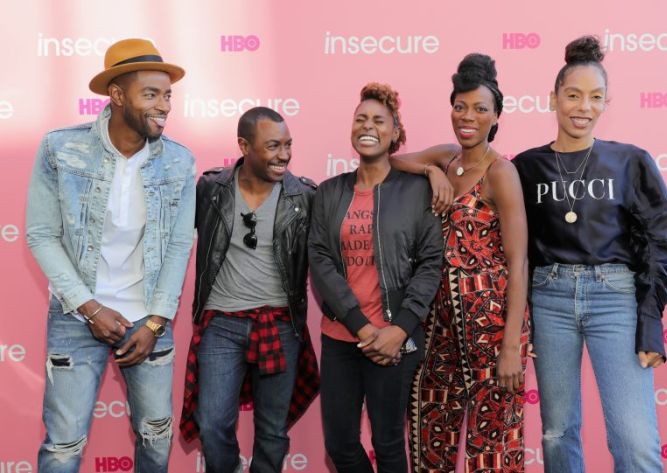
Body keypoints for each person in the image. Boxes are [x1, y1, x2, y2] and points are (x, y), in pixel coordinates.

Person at [26, 38, 195, 472]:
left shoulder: (179, 162)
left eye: (168, 95)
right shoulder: (61, 149)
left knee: (156, 441)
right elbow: (42, 234)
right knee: (63, 448)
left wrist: (157, 321)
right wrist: (89, 306)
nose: (164, 105)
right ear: (117, 96)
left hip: (148, 320)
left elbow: (178, 246)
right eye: (151, 94)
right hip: (76, 315)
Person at [510, 36, 667, 472]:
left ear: (606, 103)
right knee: (557, 434)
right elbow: (513, 247)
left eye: (596, 97)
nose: (583, 106)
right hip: (549, 300)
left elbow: (660, 238)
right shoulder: (525, 168)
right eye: (572, 95)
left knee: (634, 441)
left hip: (615, 298)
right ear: (553, 99)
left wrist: (650, 317)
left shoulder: (629, 162)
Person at [391, 54, 530, 472]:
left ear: (496, 116)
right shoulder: (448, 157)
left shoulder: (501, 172)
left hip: (492, 329)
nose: (468, 116)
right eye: (460, 106)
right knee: (430, 433)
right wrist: (432, 172)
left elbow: (519, 261)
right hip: (439, 329)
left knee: (493, 445)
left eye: (480, 109)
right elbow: (391, 159)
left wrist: (511, 347)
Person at [308, 83, 443, 473]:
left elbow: (430, 265)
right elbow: (320, 260)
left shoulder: (417, 191)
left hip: (394, 339)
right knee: (340, 445)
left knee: (387, 443)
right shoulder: (330, 192)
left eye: (379, 120)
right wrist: (361, 327)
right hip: (342, 338)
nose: (368, 126)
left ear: (395, 133)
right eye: (361, 118)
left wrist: (398, 330)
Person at [179, 106, 319, 473]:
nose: (284, 155)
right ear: (244, 145)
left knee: (272, 430)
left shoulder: (303, 196)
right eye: (273, 146)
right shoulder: (211, 189)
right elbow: (171, 237)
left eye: (288, 144)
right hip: (221, 325)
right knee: (212, 424)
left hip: (279, 324)